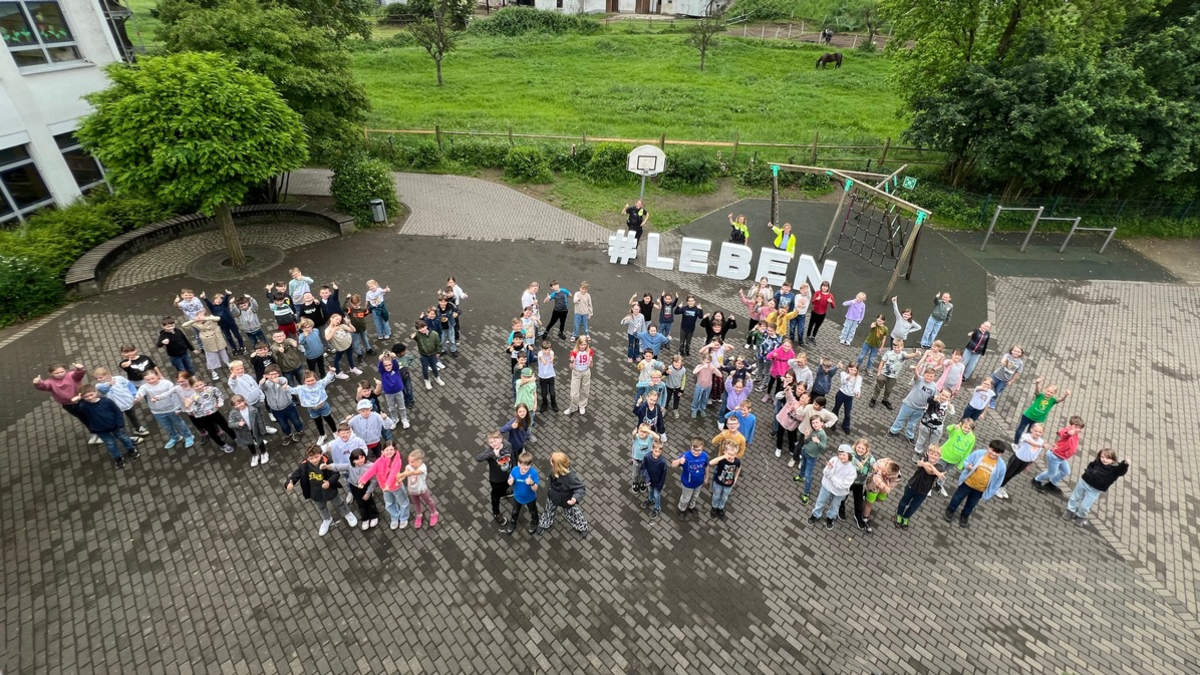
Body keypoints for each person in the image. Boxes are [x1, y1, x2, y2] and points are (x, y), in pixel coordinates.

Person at [287, 445, 357, 537]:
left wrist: (329, 482)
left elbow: (335, 474)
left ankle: (347, 513)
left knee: (339, 503)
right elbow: (295, 475)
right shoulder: (303, 465)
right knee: (321, 507)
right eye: (311, 458)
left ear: (321, 454)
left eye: (316, 457)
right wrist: (290, 483)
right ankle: (327, 519)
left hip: (330, 490)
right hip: (315, 492)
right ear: (307, 458)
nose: (314, 460)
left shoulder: (327, 461)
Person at [73, 384, 142, 468]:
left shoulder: (106, 401)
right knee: (110, 444)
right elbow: (77, 411)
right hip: (100, 429)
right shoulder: (84, 406)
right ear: (82, 397)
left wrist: (120, 424)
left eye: (91, 394)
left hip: (115, 426)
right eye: (86, 397)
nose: (90, 398)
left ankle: (131, 449)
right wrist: (76, 402)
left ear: (96, 392)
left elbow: (117, 412)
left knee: (124, 438)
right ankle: (118, 457)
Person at [944, 440, 1008, 528]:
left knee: (971, 503)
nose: (993, 453)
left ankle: (965, 515)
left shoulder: (1001, 466)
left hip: (980, 489)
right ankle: (951, 510)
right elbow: (967, 461)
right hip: (967, 483)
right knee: (957, 497)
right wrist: (968, 466)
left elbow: (998, 482)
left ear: (1001, 453)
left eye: (997, 452)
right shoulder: (979, 453)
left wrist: (991, 492)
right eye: (992, 450)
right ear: (988, 447)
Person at [1062, 448, 1129, 527]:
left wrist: (1125, 464)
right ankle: (1070, 511)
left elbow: (1121, 471)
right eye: (1102, 457)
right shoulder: (1098, 461)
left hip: (1095, 489)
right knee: (1075, 497)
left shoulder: (1115, 469)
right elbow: (1091, 465)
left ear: (1113, 460)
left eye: (1107, 458)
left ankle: (1080, 516)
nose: (1104, 460)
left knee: (1085, 505)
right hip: (1084, 482)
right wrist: (1088, 472)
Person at [135, 370, 195, 450]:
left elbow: (175, 396)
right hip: (157, 411)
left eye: (153, 378)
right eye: (147, 380)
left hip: (171, 409)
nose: (151, 381)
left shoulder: (167, 383)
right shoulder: (144, 387)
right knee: (167, 426)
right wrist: (138, 397)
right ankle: (175, 437)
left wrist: (177, 408)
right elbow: (140, 393)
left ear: (157, 376)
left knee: (179, 423)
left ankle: (188, 436)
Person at [324, 449, 379, 531]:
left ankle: (374, 515)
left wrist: (368, 492)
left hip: (366, 487)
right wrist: (329, 467)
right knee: (360, 503)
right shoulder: (350, 466)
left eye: (362, 457)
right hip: (354, 487)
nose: (360, 460)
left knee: (370, 502)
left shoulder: (371, 466)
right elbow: (339, 466)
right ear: (353, 460)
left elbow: (374, 481)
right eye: (357, 459)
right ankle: (365, 517)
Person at [358, 443, 409, 530]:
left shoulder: (397, 461)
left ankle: (403, 518)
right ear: (382, 452)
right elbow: (371, 470)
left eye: (391, 450)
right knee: (389, 504)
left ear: (395, 450)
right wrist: (362, 480)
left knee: (403, 503)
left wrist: (388, 484)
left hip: (396, 487)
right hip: (385, 488)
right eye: (387, 450)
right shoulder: (379, 461)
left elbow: (393, 473)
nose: (389, 452)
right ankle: (395, 517)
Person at [180, 376, 237, 453]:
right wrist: (188, 406)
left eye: (200, 384)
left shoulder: (211, 389)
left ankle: (235, 438)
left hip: (214, 412)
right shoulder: (193, 397)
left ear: (203, 382)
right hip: (203, 417)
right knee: (212, 431)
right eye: (196, 386)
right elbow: (190, 410)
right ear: (192, 387)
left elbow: (219, 395)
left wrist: (220, 403)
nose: (199, 387)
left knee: (225, 426)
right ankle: (223, 445)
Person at [539, 451, 589, 537]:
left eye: (552, 461)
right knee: (549, 510)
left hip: (566, 499)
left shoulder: (571, 477)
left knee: (572, 513)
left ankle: (582, 526)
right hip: (553, 496)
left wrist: (574, 499)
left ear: (558, 466)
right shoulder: (553, 470)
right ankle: (545, 523)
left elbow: (581, 488)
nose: (550, 461)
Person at [1032, 416, 1086, 494]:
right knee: (1051, 472)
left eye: (1080, 428)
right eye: (1076, 427)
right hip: (1055, 456)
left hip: (1062, 458)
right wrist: (1068, 433)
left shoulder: (1076, 434)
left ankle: (1052, 483)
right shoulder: (1068, 431)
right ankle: (1037, 480)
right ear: (1071, 425)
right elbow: (1063, 434)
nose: (1078, 429)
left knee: (1066, 471)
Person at [895, 446, 945, 529]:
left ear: (939, 457)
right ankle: (899, 515)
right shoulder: (923, 457)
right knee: (904, 502)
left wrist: (927, 465)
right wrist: (936, 472)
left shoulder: (940, 467)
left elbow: (930, 472)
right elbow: (923, 466)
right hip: (912, 485)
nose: (933, 456)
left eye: (936, 455)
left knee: (913, 507)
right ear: (928, 453)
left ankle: (906, 518)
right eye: (931, 453)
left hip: (923, 491)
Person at [808, 444, 856, 530]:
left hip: (840, 492)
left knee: (835, 505)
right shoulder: (834, 460)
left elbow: (843, 485)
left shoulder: (852, 470)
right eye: (840, 454)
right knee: (820, 501)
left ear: (849, 455)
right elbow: (825, 473)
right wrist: (829, 469)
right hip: (827, 486)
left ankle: (830, 518)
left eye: (844, 455)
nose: (841, 457)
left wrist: (832, 477)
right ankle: (815, 515)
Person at [92, 367, 149, 436]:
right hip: (115, 406)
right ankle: (124, 435)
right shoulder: (99, 385)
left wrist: (134, 395)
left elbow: (130, 386)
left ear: (108, 374)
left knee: (132, 416)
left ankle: (138, 428)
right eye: (96, 378)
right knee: (120, 420)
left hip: (128, 402)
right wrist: (109, 384)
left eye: (100, 377)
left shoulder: (119, 378)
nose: (98, 380)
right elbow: (104, 389)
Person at [1013, 377, 1071, 443]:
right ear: (1045, 390)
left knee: (1030, 433)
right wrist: (1037, 383)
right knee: (1020, 429)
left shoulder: (1053, 400)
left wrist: (1065, 395)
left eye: (1051, 392)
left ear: (1054, 394)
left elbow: (1060, 400)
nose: (1049, 393)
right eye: (1048, 391)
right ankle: (1015, 443)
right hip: (1027, 415)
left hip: (1037, 420)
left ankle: (1024, 444)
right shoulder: (1040, 395)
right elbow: (1036, 391)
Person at [888, 370, 939, 442]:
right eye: (927, 375)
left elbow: (934, 397)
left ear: (934, 378)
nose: (929, 377)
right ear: (924, 375)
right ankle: (893, 431)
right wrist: (915, 369)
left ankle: (909, 435)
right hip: (908, 404)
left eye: (931, 376)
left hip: (921, 408)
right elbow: (916, 375)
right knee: (900, 418)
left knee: (913, 423)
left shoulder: (934, 386)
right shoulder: (920, 379)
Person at [394, 449, 439, 529]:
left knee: (428, 501)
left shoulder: (422, 468)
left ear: (419, 461)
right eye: (409, 461)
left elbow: (412, 473)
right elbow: (406, 473)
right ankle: (419, 514)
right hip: (412, 490)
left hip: (422, 490)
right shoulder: (408, 466)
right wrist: (400, 479)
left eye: (412, 462)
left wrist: (400, 475)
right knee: (416, 503)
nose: (410, 463)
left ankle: (434, 513)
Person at [478, 431, 515, 526]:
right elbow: (478, 458)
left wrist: (514, 471)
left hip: (508, 475)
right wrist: (493, 454)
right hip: (496, 480)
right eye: (491, 442)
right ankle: (496, 513)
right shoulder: (490, 451)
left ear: (501, 439)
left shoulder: (508, 445)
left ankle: (504, 493)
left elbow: (512, 457)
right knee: (495, 496)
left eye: (495, 440)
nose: (494, 443)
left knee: (505, 487)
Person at [260, 365, 303, 445]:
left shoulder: (282, 379)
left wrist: (278, 381)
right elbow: (263, 387)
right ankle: (288, 434)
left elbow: (284, 381)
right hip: (275, 410)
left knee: (296, 421)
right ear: (266, 375)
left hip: (288, 406)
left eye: (275, 373)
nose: (273, 376)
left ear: (279, 374)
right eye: (270, 374)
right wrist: (261, 383)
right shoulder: (267, 384)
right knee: (283, 425)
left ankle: (300, 431)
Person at [1000, 423, 1045, 499]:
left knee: (1012, 475)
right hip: (1017, 459)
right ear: (1031, 430)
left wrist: (1030, 464)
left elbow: (1035, 454)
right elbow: (1030, 442)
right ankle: (997, 486)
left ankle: (1001, 486)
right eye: (1035, 431)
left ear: (1043, 433)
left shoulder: (1041, 442)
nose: (1037, 433)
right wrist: (1041, 445)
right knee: (1007, 473)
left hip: (1025, 462)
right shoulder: (1026, 436)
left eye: (1040, 432)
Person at [182, 308, 229, 381]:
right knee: (210, 356)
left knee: (223, 352)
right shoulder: (196, 323)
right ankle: (213, 371)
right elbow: (184, 325)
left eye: (201, 316)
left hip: (217, 338)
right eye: (198, 316)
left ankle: (228, 363)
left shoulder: (211, 318)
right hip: (207, 340)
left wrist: (206, 318)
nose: (200, 318)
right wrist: (193, 320)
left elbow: (218, 318)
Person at [295, 370, 338, 444]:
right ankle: (322, 435)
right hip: (312, 409)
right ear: (304, 381)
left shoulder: (320, 384)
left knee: (329, 420)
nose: (311, 382)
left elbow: (327, 379)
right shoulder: (301, 388)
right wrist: (285, 387)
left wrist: (331, 372)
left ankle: (335, 432)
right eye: (308, 381)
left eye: (312, 380)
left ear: (316, 379)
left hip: (324, 407)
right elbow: (292, 390)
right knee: (318, 422)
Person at [504, 451, 541, 535]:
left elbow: (535, 489)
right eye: (523, 465)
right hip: (517, 497)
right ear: (518, 464)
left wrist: (532, 483)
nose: (525, 467)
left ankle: (535, 522)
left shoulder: (533, 473)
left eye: (528, 465)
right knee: (515, 511)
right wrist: (510, 481)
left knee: (533, 511)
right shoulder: (514, 470)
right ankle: (513, 522)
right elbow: (509, 482)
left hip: (530, 498)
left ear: (531, 464)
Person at [794, 415, 827, 502]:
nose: (815, 424)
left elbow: (823, 447)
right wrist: (806, 436)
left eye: (817, 422)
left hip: (812, 457)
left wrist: (818, 442)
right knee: (803, 465)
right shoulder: (813, 431)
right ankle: (801, 476)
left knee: (808, 476)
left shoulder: (822, 434)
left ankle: (806, 493)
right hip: (804, 452)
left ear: (822, 423)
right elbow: (806, 442)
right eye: (813, 423)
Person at [673, 438, 709, 518]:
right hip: (687, 484)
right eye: (694, 449)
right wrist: (679, 461)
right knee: (685, 498)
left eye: (699, 450)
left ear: (702, 449)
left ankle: (691, 506)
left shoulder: (704, 456)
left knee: (695, 496)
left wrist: (706, 478)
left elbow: (706, 467)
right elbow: (673, 464)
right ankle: (681, 509)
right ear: (690, 447)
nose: (696, 452)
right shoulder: (685, 456)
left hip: (699, 483)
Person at [230, 394, 269, 467]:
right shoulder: (233, 414)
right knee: (249, 444)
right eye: (236, 405)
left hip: (255, 429)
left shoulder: (253, 410)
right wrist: (238, 424)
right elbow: (230, 424)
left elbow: (259, 420)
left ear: (244, 401)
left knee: (259, 441)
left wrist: (262, 430)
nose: (239, 406)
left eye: (240, 403)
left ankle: (264, 452)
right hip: (244, 432)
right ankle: (254, 455)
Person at [708, 443, 742, 520]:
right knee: (716, 495)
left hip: (729, 484)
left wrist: (736, 478)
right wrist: (723, 456)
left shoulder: (737, 461)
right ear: (724, 452)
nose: (730, 456)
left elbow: (739, 467)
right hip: (718, 482)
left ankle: (721, 507)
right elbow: (710, 463)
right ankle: (714, 506)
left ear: (736, 455)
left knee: (724, 497)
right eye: (728, 454)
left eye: (732, 455)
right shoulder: (721, 460)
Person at [411, 320, 446, 389]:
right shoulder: (418, 335)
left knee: (434, 367)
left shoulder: (434, 334)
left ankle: (437, 378)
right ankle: (427, 380)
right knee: (425, 369)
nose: (422, 329)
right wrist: (411, 336)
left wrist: (438, 352)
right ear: (418, 330)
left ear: (426, 326)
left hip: (433, 355)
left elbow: (438, 344)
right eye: (420, 329)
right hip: (423, 355)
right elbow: (412, 337)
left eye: (423, 327)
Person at [565, 336, 594, 416]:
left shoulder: (589, 351)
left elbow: (590, 365)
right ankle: (573, 407)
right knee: (574, 393)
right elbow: (571, 367)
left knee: (585, 389)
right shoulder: (574, 352)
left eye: (585, 344)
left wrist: (591, 361)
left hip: (586, 372)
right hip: (576, 372)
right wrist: (571, 361)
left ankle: (582, 405)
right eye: (581, 345)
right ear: (578, 344)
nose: (583, 346)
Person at [830, 363, 862, 433]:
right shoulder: (843, 374)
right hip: (841, 394)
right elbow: (843, 382)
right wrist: (848, 378)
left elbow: (857, 386)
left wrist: (857, 393)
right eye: (851, 369)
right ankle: (832, 422)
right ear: (848, 368)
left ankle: (845, 426)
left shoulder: (858, 378)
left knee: (847, 413)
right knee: (836, 408)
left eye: (855, 370)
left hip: (849, 397)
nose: (853, 372)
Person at [641, 441, 669, 520]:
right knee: (650, 491)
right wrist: (647, 479)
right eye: (656, 451)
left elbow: (663, 476)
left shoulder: (663, 462)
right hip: (649, 481)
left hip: (657, 483)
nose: (657, 453)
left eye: (659, 452)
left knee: (657, 495)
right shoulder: (647, 457)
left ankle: (657, 508)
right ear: (652, 448)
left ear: (661, 451)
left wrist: (660, 486)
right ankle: (650, 500)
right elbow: (643, 468)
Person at [629, 424, 659, 494]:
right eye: (640, 431)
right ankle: (635, 482)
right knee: (636, 473)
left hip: (646, 461)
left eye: (644, 432)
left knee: (644, 473)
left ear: (648, 433)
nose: (642, 433)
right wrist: (634, 433)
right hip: (637, 460)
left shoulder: (650, 437)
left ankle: (643, 482)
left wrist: (648, 430)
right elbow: (633, 436)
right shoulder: (636, 437)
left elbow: (657, 437)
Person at [691, 354, 720, 419]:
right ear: (702, 361)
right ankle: (694, 409)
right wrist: (703, 366)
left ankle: (702, 409)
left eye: (709, 362)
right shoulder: (699, 366)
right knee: (696, 398)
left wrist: (714, 368)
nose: (708, 363)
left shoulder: (711, 367)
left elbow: (720, 375)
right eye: (706, 362)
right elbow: (694, 372)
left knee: (705, 399)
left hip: (708, 386)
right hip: (699, 386)